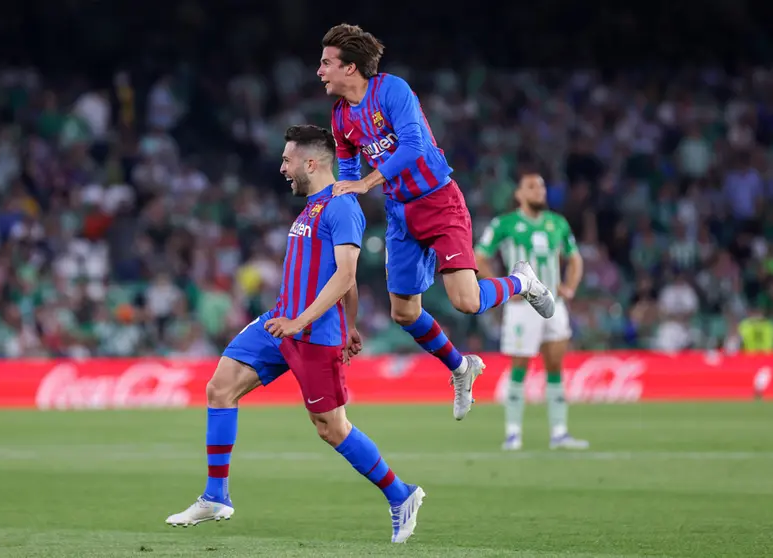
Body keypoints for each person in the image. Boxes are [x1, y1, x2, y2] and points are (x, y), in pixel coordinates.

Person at [165, 125, 425, 543]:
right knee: (220, 388)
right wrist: (352, 322)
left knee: (332, 429)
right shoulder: (312, 207)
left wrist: (312, 323)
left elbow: (346, 275)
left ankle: (402, 494)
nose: (282, 168)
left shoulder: (343, 206)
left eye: (287, 160)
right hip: (279, 323)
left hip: (313, 334)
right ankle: (216, 495)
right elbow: (342, 279)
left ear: (310, 162)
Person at [319, 23, 555, 421]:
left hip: (439, 201)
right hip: (400, 214)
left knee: (466, 301)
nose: (320, 71)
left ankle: (523, 281)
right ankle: (462, 368)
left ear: (351, 68)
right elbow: (346, 174)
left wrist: (366, 182)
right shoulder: (341, 118)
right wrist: (343, 211)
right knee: (404, 313)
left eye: (327, 63)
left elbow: (413, 146)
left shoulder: (391, 90)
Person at [475, 174, 589, 450]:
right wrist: (504, 288)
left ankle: (559, 433)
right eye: (532, 187)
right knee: (519, 367)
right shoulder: (505, 224)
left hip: (554, 303)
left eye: (542, 186)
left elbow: (575, 258)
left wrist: (570, 287)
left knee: (555, 365)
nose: (539, 191)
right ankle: (513, 433)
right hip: (522, 306)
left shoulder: (557, 223)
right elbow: (479, 256)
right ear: (519, 194)